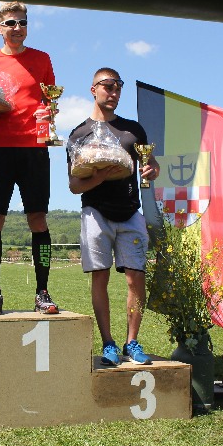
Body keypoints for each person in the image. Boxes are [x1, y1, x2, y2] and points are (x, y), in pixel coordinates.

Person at [0, 1, 58, 316]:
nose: (17, 28)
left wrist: (50, 115)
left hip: (34, 148)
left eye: (22, 23)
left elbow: (50, 102)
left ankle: (42, 292)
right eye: (11, 23)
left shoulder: (42, 59)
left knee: (38, 220)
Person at [67, 68, 160, 366]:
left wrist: (151, 170)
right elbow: (74, 185)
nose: (114, 92)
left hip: (130, 211)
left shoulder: (133, 130)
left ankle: (131, 342)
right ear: (93, 89)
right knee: (101, 276)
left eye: (118, 87)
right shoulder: (79, 134)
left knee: (136, 277)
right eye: (108, 86)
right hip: (95, 212)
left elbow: (151, 164)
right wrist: (101, 176)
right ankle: (108, 343)